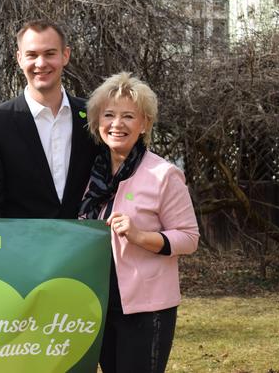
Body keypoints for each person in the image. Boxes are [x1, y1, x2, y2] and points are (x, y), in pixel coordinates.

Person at [79, 72, 199, 373]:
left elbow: (189, 237)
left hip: (147, 308)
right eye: (108, 115)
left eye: (128, 116)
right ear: (97, 122)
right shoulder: (90, 174)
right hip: (99, 301)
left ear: (144, 123)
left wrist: (140, 235)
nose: (117, 124)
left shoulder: (163, 174)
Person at [0, 20, 98, 218]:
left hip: (85, 243)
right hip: (21, 246)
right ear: (19, 58)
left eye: (50, 53)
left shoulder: (93, 115)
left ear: (65, 55)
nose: (41, 63)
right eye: (32, 55)